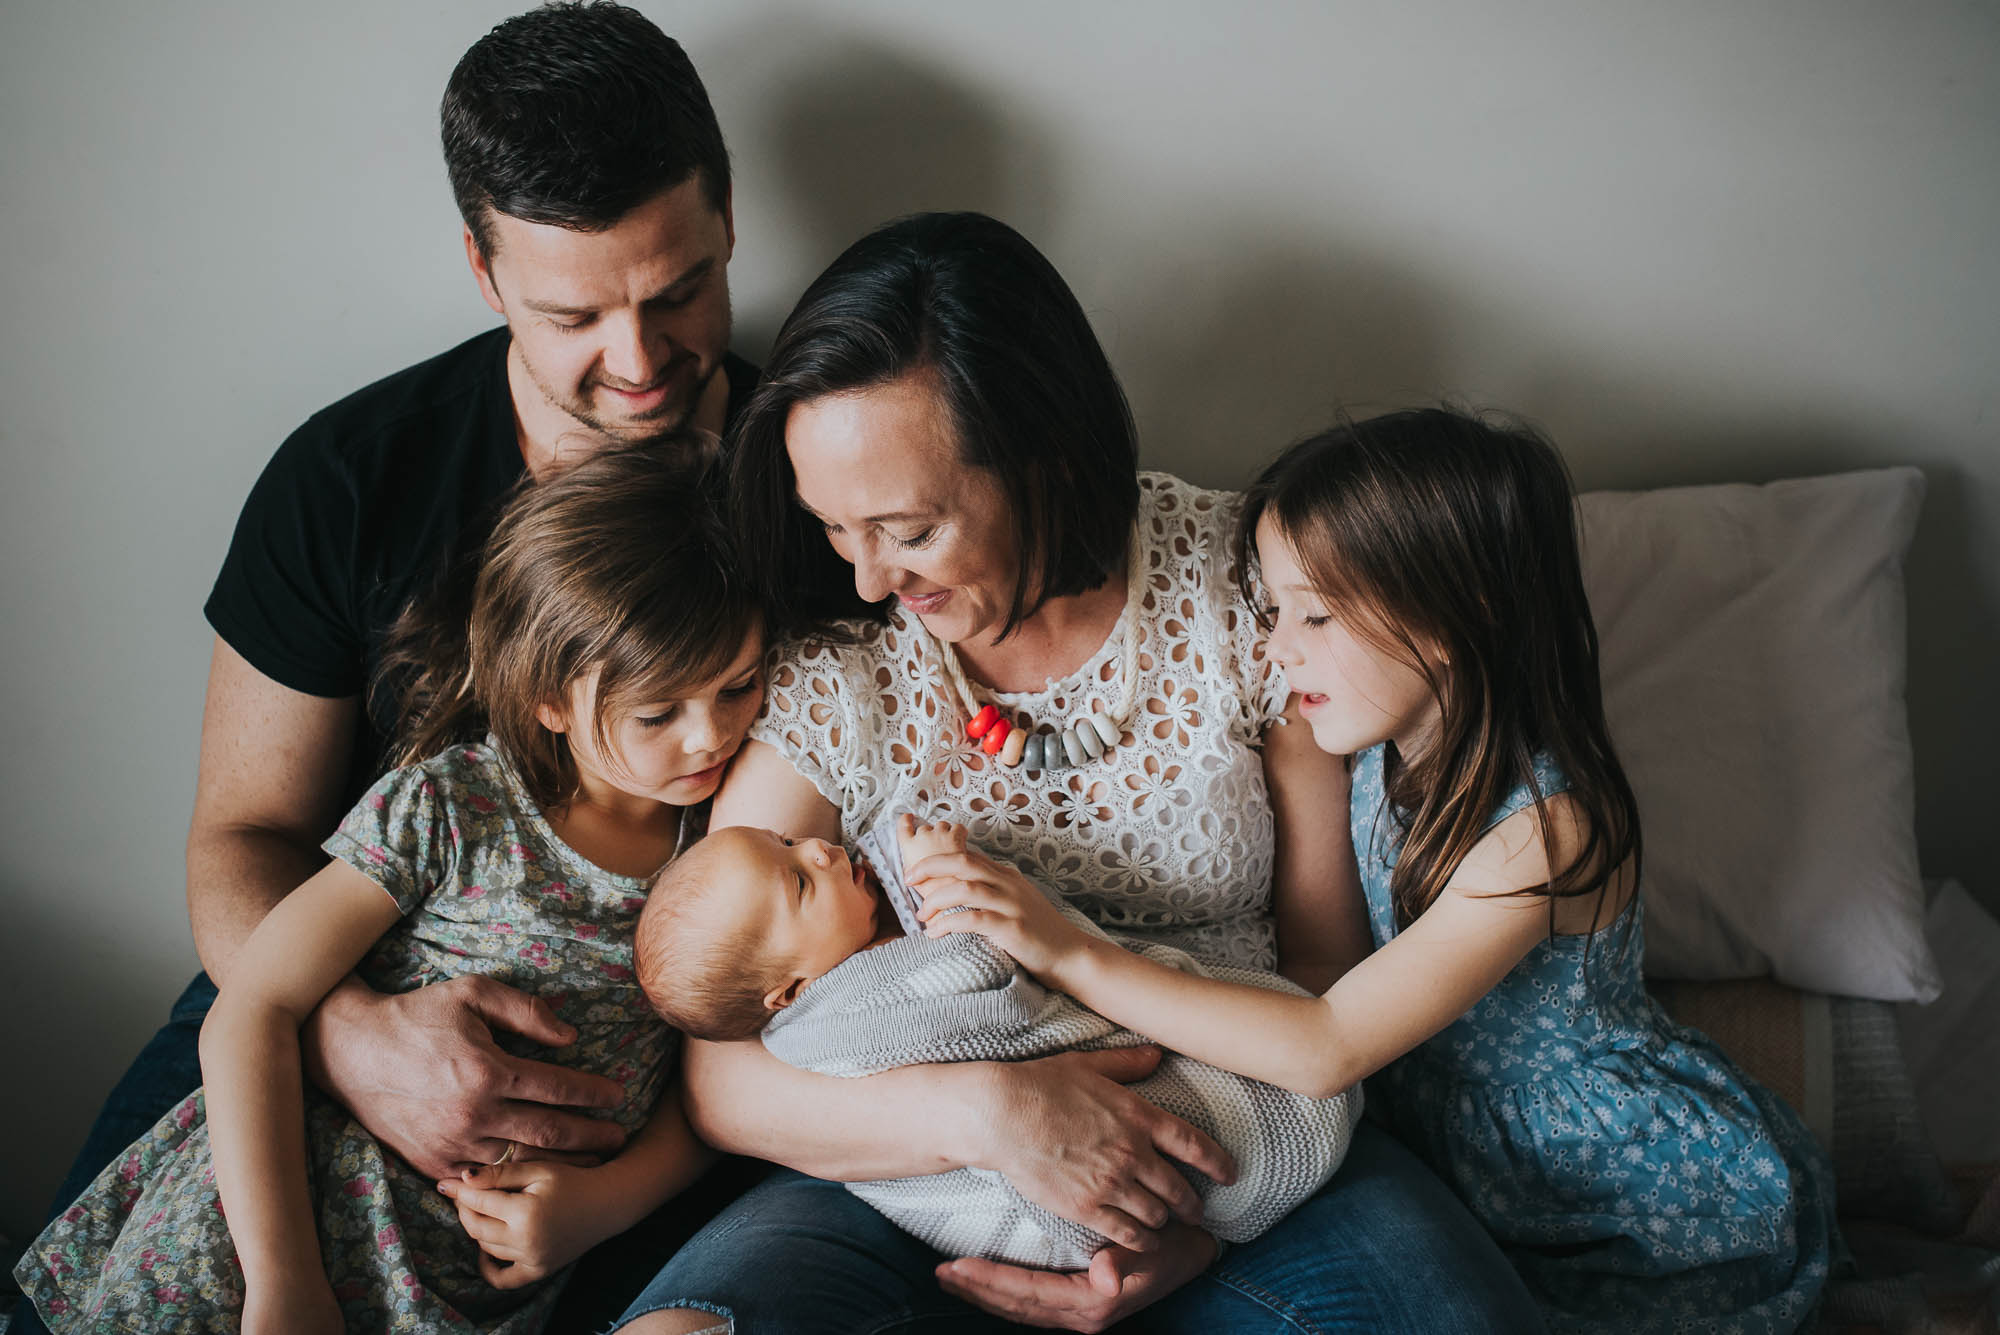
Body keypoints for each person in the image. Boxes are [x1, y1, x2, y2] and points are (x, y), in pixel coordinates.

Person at [616, 211, 1545, 1334]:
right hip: (919, 1178)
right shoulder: (838, 668)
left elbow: (1321, 970)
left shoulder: (1240, 590)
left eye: (905, 530)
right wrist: (990, 1113)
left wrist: (1193, 1228)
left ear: (1040, 462)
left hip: (1234, 1133)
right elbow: (722, 1078)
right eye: (833, 529)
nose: (864, 581)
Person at [23, 6, 754, 1333]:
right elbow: (243, 835)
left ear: (727, 225)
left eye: (679, 291)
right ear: (483, 272)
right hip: (321, 970)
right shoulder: (352, 479)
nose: (641, 361)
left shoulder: (810, 481)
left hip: (647, 1076)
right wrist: (353, 1034)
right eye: (574, 313)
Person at [915, 408, 1843, 1332]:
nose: (1279, 649)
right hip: (1444, 1152)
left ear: (1458, 612)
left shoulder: (1547, 829)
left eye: (1315, 614)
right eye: (1277, 610)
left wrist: (1067, 949)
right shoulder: (1370, 752)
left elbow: (1326, 1043)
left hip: (1622, 1201)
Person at [15, 445, 764, 1335]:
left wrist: (606, 1203)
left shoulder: (727, 843)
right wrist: (283, 1280)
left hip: (458, 1294)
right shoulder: (454, 807)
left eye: (740, 685)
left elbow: (712, 1085)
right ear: (548, 701)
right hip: (260, 1240)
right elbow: (249, 1010)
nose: (710, 733)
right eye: (658, 712)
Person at [634, 816, 1356, 1269]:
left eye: (789, 841)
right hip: (1019, 1192)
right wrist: (947, 890)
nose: (822, 848)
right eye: (798, 881)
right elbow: (980, 976)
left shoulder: (836, 965)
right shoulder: (832, 1020)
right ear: (786, 992)